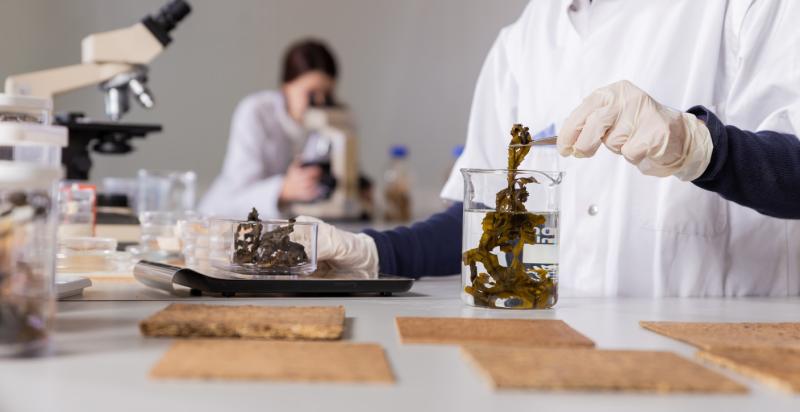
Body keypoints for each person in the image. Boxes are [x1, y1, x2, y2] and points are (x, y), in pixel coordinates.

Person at [304, 0, 800, 298]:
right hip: (561, 354)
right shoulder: (523, 38)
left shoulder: (744, 8)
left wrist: (700, 149)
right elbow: (482, 218)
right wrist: (374, 252)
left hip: (730, 363)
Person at [200, 39, 338, 218]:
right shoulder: (257, 111)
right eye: (311, 94)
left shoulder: (330, 122)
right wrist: (283, 189)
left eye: (327, 95)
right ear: (286, 86)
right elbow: (238, 194)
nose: (320, 102)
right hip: (224, 219)